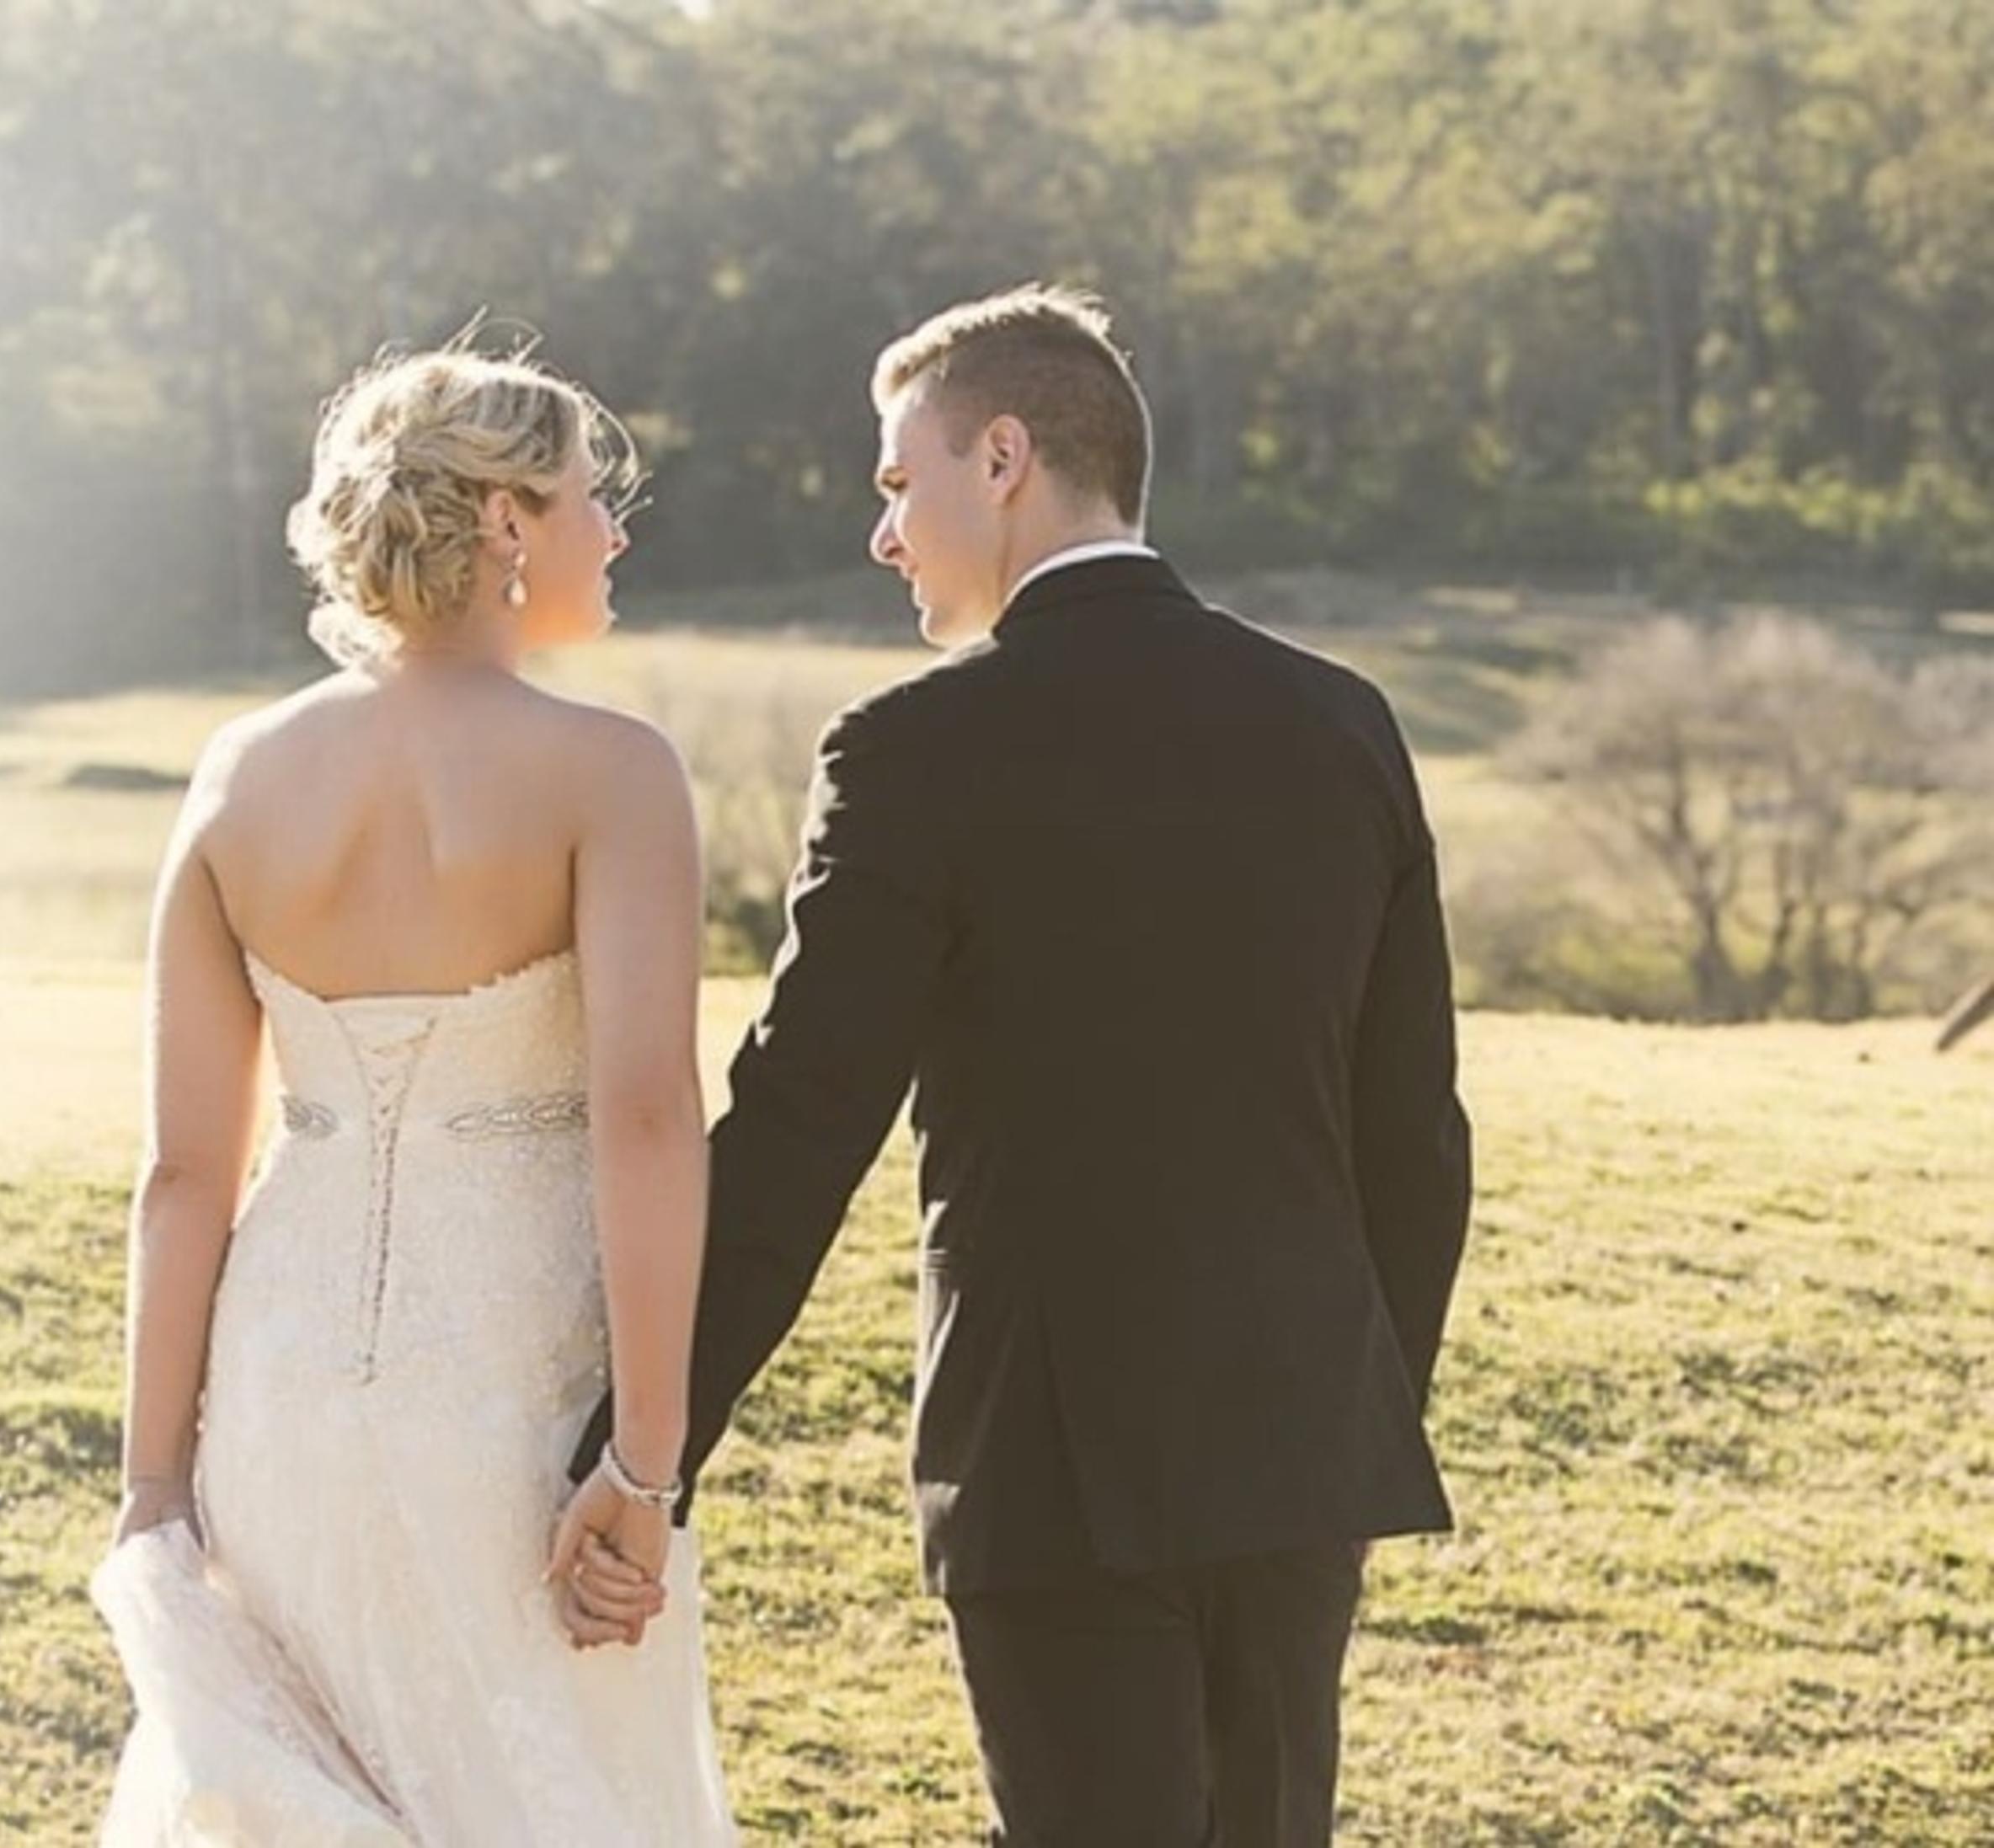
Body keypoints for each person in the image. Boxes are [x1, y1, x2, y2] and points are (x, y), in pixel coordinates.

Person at [574, 283, 1473, 1845]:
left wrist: (646, 1453)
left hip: (1052, 1468)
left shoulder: (913, 750)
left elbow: (797, 1129)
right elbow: (1417, 1134)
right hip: (1300, 1458)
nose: (883, 533)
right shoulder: (1344, 723)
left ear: (1002, 459)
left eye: (895, 479)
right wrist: (1357, 1431)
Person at [93, 340, 737, 1845]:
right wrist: (645, 1461)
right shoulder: (611, 772)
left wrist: (153, 1480)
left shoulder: (238, 774)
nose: (614, 530)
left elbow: (184, 1172)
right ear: (506, 521)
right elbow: (648, 1120)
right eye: (589, 495)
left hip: (278, 1389)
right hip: (515, 1393)